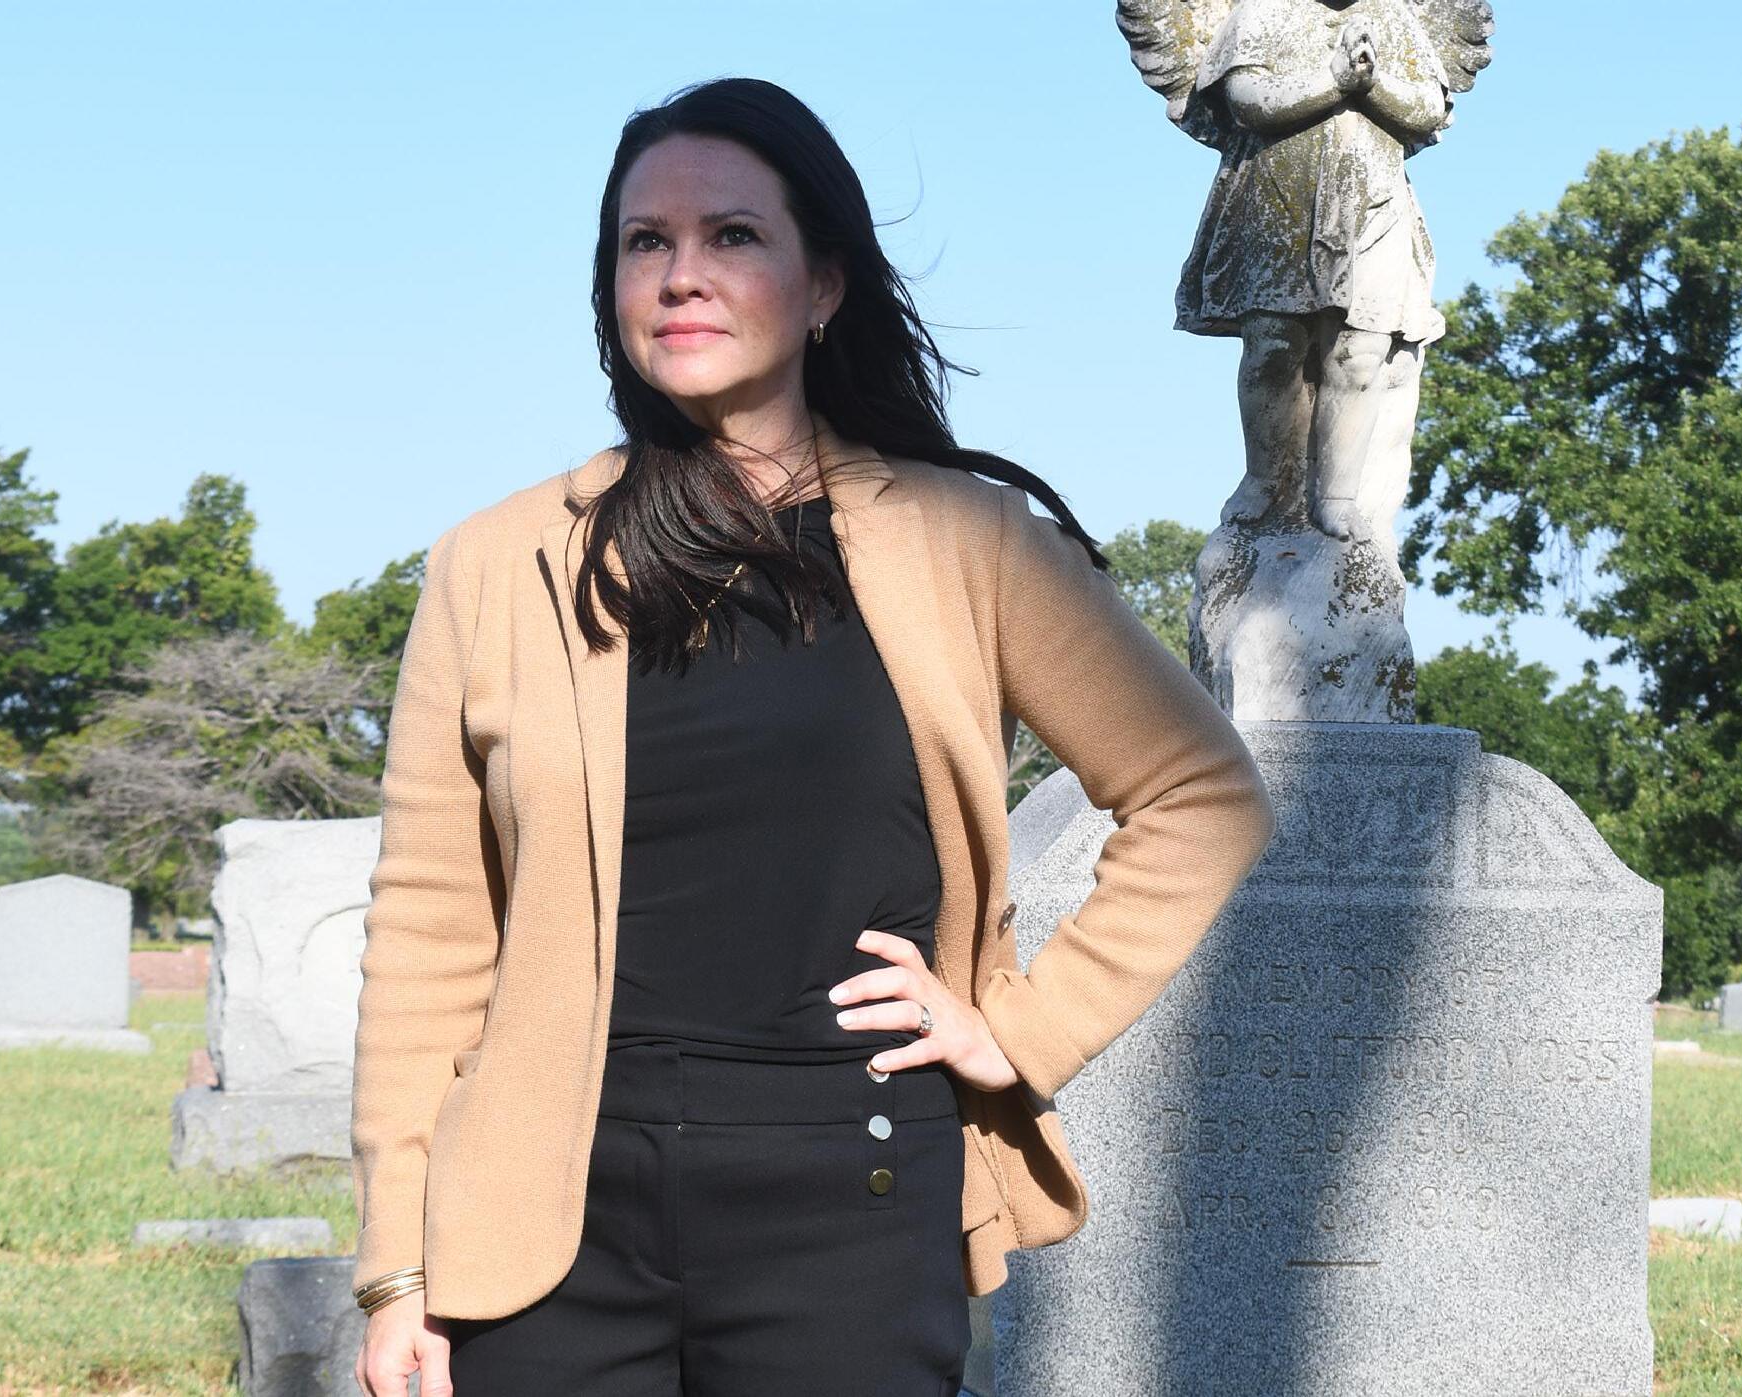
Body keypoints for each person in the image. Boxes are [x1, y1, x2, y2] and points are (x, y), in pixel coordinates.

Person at [352, 76, 1275, 1396]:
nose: (681, 273)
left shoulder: (969, 543)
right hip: (543, 1226)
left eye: (732, 235)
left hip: (852, 1202)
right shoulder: (498, 565)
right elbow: (431, 929)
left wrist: (1020, 1030)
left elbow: (1199, 795)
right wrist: (397, 1267)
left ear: (824, 282)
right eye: (644, 241)